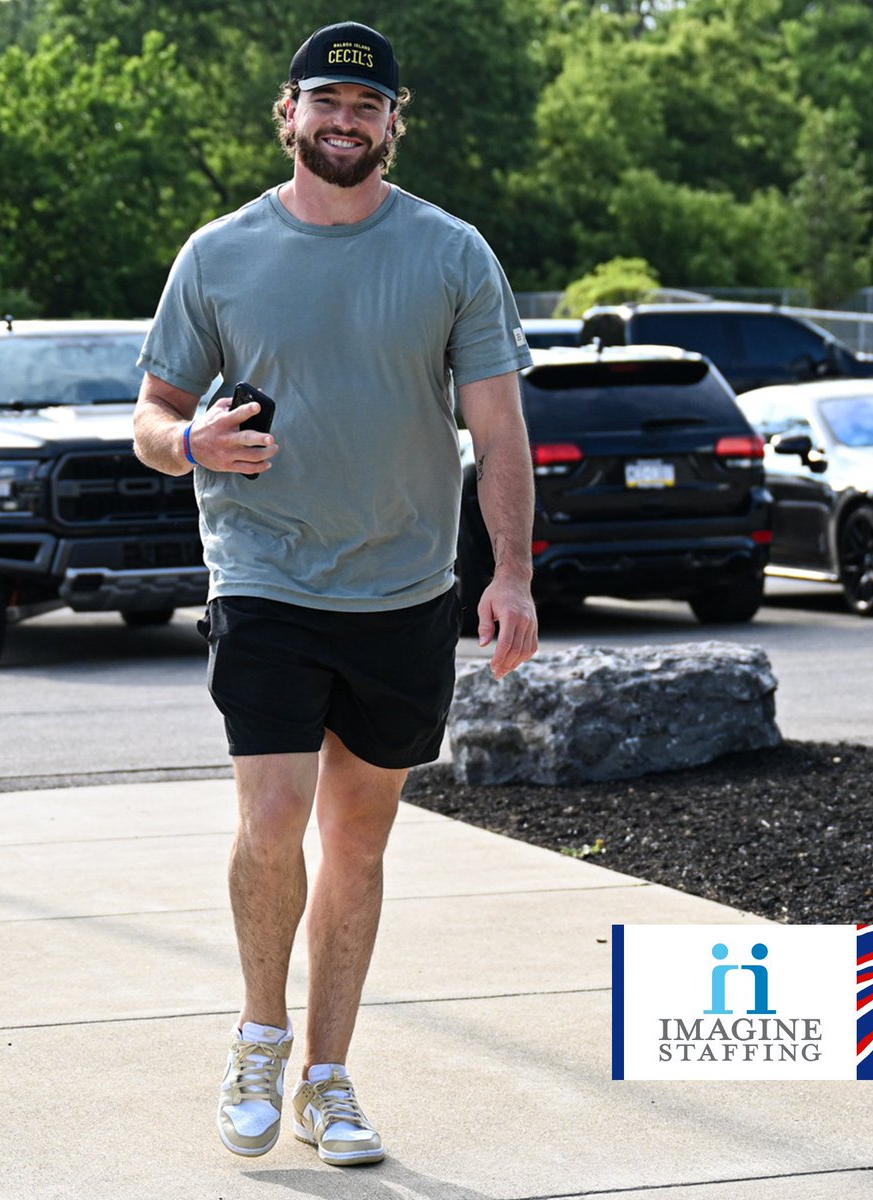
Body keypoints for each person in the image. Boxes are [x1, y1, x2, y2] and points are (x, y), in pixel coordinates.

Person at [133, 20, 538, 1167]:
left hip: (406, 586)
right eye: (326, 103)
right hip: (263, 573)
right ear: (289, 113)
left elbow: (500, 432)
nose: (344, 122)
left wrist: (508, 574)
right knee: (270, 820)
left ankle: (327, 1077)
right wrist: (192, 444)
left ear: (394, 124)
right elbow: (152, 417)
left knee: (356, 840)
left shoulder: (454, 254)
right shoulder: (217, 255)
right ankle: (259, 1043)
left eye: (367, 108)